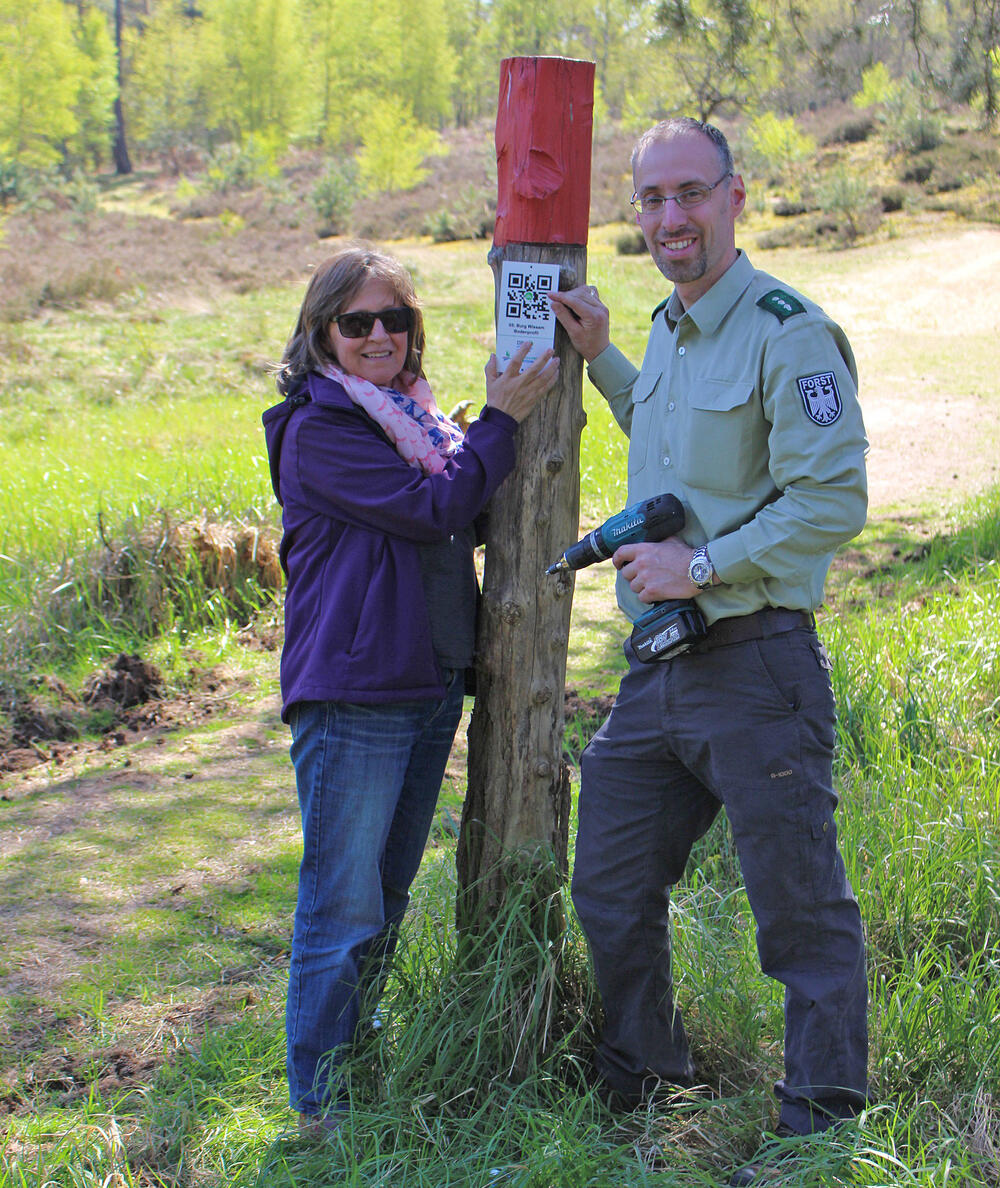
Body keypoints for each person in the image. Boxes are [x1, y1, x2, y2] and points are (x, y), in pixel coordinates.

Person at [549, 118, 869, 1185]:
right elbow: (672, 444)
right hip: (659, 672)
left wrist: (702, 565)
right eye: (651, 199)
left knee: (798, 908)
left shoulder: (788, 332)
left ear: (735, 196)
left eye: (689, 193)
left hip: (757, 664)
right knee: (608, 882)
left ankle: (819, 1127)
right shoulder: (671, 330)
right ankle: (647, 1081)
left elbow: (833, 499)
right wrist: (605, 359)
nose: (669, 217)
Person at [262, 243, 558, 1133]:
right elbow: (434, 509)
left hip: (424, 682)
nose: (378, 335)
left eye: (394, 318)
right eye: (356, 322)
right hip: (357, 691)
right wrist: (500, 422)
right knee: (342, 904)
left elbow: (461, 509)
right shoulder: (320, 429)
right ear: (323, 333)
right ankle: (321, 1107)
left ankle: (356, 1074)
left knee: (384, 899)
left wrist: (473, 443)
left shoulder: (408, 422)